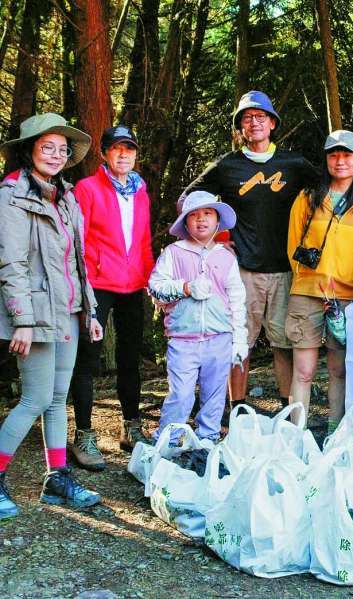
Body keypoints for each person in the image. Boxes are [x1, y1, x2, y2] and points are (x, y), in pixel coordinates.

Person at [182, 90, 317, 412]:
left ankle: (287, 409)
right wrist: (215, 239)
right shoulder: (228, 166)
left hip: (287, 269)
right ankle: (239, 409)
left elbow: (329, 194)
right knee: (239, 344)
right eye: (246, 118)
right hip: (243, 270)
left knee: (284, 344)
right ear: (239, 127)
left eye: (260, 117)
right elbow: (190, 200)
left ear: (272, 123)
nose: (254, 123)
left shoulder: (294, 164)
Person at [0, 113, 104, 519]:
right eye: (48, 147)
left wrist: (89, 310)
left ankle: (56, 479)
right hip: (35, 315)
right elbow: (11, 263)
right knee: (36, 398)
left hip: (69, 312)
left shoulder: (67, 195)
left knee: (58, 399)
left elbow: (77, 262)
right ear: (29, 150)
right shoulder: (11, 195)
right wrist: (21, 319)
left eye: (63, 149)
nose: (57, 155)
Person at [68, 125, 154, 471]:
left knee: (130, 357)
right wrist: (83, 286)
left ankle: (131, 426)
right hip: (98, 284)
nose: (123, 155)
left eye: (129, 149)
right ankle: (84, 433)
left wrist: (149, 279)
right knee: (87, 358)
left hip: (134, 286)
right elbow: (77, 240)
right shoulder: (87, 189)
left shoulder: (141, 191)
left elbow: (144, 240)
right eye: (116, 149)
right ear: (103, 153)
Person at [286, 130, 353, 432]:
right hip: (308, 292)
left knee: (339, 370)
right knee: (303, 370)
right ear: (326, 159)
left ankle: (335, 432)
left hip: (347, 297)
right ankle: (296, 436)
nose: (340, 161)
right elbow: (292, 246)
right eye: (334, 154)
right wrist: (307, 279)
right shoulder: (307, 198)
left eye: (347, 155)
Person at [148, 191, 248, 443]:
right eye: (194, 215)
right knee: (181, 394)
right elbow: (155, 286)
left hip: (219, 337)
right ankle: (167, 441)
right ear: (185, 222)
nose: (201, 220)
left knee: (214, 395)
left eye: (207, 214)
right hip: (184, 339)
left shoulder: (226, 257)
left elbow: (237, 299)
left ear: (217, 221)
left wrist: (240, 340)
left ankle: (207, 440)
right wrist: (185, 287)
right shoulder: (174, 252)